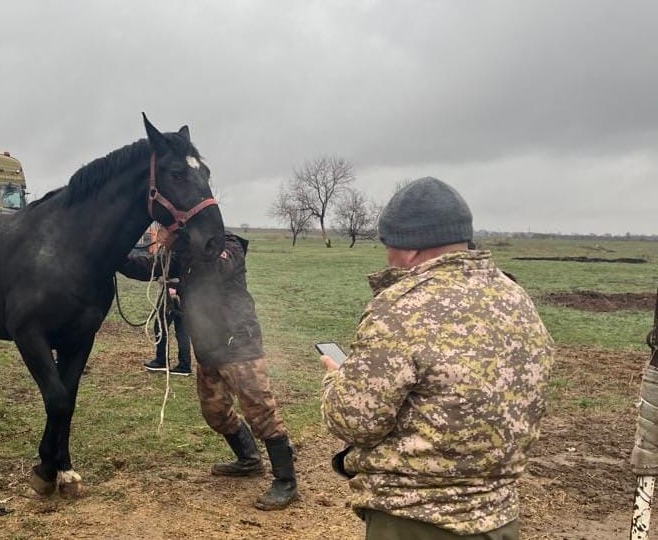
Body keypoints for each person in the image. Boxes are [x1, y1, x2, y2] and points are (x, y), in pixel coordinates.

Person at [320, 177, 555, 539]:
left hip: (415, 521)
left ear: (410, 248)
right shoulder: (516, 298)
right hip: (500, 518)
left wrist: (336, 380)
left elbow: (354, 421)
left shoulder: (400, 309)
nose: (388, 257)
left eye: (388, 245)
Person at [120, 227, 298, 510]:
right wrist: (116, 257)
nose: (164, 234)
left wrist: (178, 242)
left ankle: (286, 481)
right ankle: (249, 460)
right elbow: (148, 268)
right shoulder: (181, 254)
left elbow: (211, 272)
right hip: (208, 348)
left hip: (239, 343)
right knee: (214, 413)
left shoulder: (229, 245)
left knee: (261, 412)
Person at [140, 224, 193, 375]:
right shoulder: (186, 246)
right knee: (182, 328)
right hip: (183, 292)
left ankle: (162, 360)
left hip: (174, 291)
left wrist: (171, 285)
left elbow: (173, 267)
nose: (160, 237)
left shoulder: (178, 251)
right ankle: (184, 364)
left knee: (161, 325)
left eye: (163, 233)